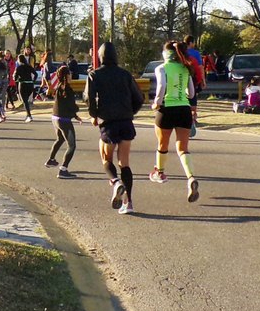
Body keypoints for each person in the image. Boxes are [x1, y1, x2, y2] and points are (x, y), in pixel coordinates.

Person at [83, 41, 144, 215]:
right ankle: (129, 202)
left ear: (100, 57)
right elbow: (139, 98)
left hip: (108, 122)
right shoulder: (125, 74)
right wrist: (130, 112)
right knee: (125, 163)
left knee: (106, 159)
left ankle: (116, 183)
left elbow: (89, 98)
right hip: (126, 121)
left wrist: (95, 116)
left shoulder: (94, 74)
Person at [148, 41, 199, 203]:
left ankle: (159, 172)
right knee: (183, 148)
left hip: (166, 109)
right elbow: (191, 94)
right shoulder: (185, 68)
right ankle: (190, 177)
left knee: (162, 144)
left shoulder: (161, 68)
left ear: (165, 54)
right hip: (184, 109)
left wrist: (157, 102)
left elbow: (162, 86)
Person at [45, 65, 80, 177]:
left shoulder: (60, 87)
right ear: (66, 75)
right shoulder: (68, 89)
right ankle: (63, 169)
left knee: (60, 139)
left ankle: (51, 160)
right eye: (69, 74)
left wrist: (75, 116)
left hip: (55, 118)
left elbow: (65, 105)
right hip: (64, 120)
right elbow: (71, 106)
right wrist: (76, 111)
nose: (71, 75)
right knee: (72, 145)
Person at [15, 53, 37, 122]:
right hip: (30, 84)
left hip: (23, 84)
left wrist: (17, 79)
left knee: (25, 101)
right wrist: (33, 81)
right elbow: (35, 74)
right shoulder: (29, 66)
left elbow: (15, 77)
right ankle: (27, 115)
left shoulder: (19, 68)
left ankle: (29, 115)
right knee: (26, 101)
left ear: (19, 60)